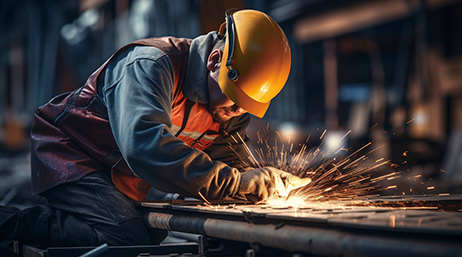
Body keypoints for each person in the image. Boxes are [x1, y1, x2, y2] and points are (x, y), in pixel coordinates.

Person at [0, 9, 310, 248]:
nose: (237, 112)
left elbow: (230, 166)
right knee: (125, 236)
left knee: (152, 229)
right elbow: (145, 146)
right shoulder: (151, 65)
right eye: (234, 100)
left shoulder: (228, 104)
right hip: (73, 156)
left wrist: (259, 186)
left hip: (122, 173)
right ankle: (11, 221)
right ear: (214, 61)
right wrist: (236, 183)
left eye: (246, 106)